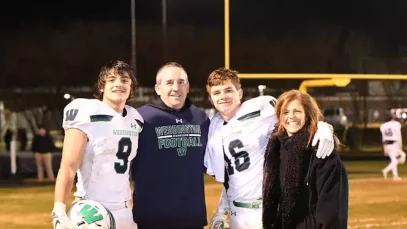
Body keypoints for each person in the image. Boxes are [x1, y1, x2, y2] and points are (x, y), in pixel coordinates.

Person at [204, 69, 336, 229]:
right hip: (237, 214)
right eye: (217, 92)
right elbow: (230, 178)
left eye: (228, 90)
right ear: (211, 99)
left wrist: (322, 126)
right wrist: (221, 210)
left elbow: (296, 117)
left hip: (268, 209)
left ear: (240, 92)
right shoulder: (215, 126)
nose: (223, 96)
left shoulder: (262, 106)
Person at [52, 60, 143, 229]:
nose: (118, 84)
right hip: (91, 208)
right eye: (112, 79)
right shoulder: (87, 110)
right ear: (102, 87)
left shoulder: (135, 118)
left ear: (131, 88)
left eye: (124, 80)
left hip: (124, 208)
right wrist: (59, 209)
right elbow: (69, 165)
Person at [131, 62, 210, 229]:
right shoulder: (141, 117)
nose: (176, 88)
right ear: (158, 88)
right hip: (152, 217)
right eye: (169, 82)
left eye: (181, 82)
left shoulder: (201, 117)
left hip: (191, 215)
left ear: (187, 87)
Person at [262, 89, 349, 229]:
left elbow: (333, 210)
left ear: (307, 114)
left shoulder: (321, 150)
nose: (291, 116)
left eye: (297, 111)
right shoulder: (274, 147)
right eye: (285, 112)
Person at [380, 114, 404, 181]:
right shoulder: (396, 124)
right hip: (394, 144)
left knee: (394, 159)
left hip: (387, 144)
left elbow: (383, 138)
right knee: (401, 158)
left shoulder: (383, 125)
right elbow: (399, 135)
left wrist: (385, 149)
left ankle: (395, 175)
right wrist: (400, 145)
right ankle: (385, 170)